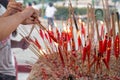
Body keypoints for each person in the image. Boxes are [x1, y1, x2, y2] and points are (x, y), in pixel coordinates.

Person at [0, 0, 39, 80]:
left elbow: (3, 39)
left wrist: (18, 44)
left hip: (9, 70)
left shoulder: (3, 5)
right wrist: (22, 15)